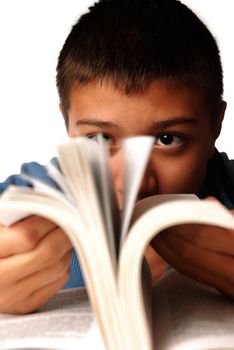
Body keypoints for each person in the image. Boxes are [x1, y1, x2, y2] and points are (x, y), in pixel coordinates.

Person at [0, 0, 234, 314]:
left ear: (215, 127)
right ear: (68, 125)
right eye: (100, 139)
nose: (134, 182)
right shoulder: (22, 208)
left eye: (168, 139)